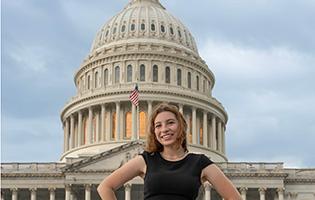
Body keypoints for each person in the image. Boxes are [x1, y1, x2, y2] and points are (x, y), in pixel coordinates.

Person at [97, 103, 242, 200]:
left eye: (170, 123)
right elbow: (105, 187)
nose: (164, 129)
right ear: (154, 132)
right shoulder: (146, 160)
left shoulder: (200, 163)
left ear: (181, 126)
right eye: (158, 125)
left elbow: (234, 198)